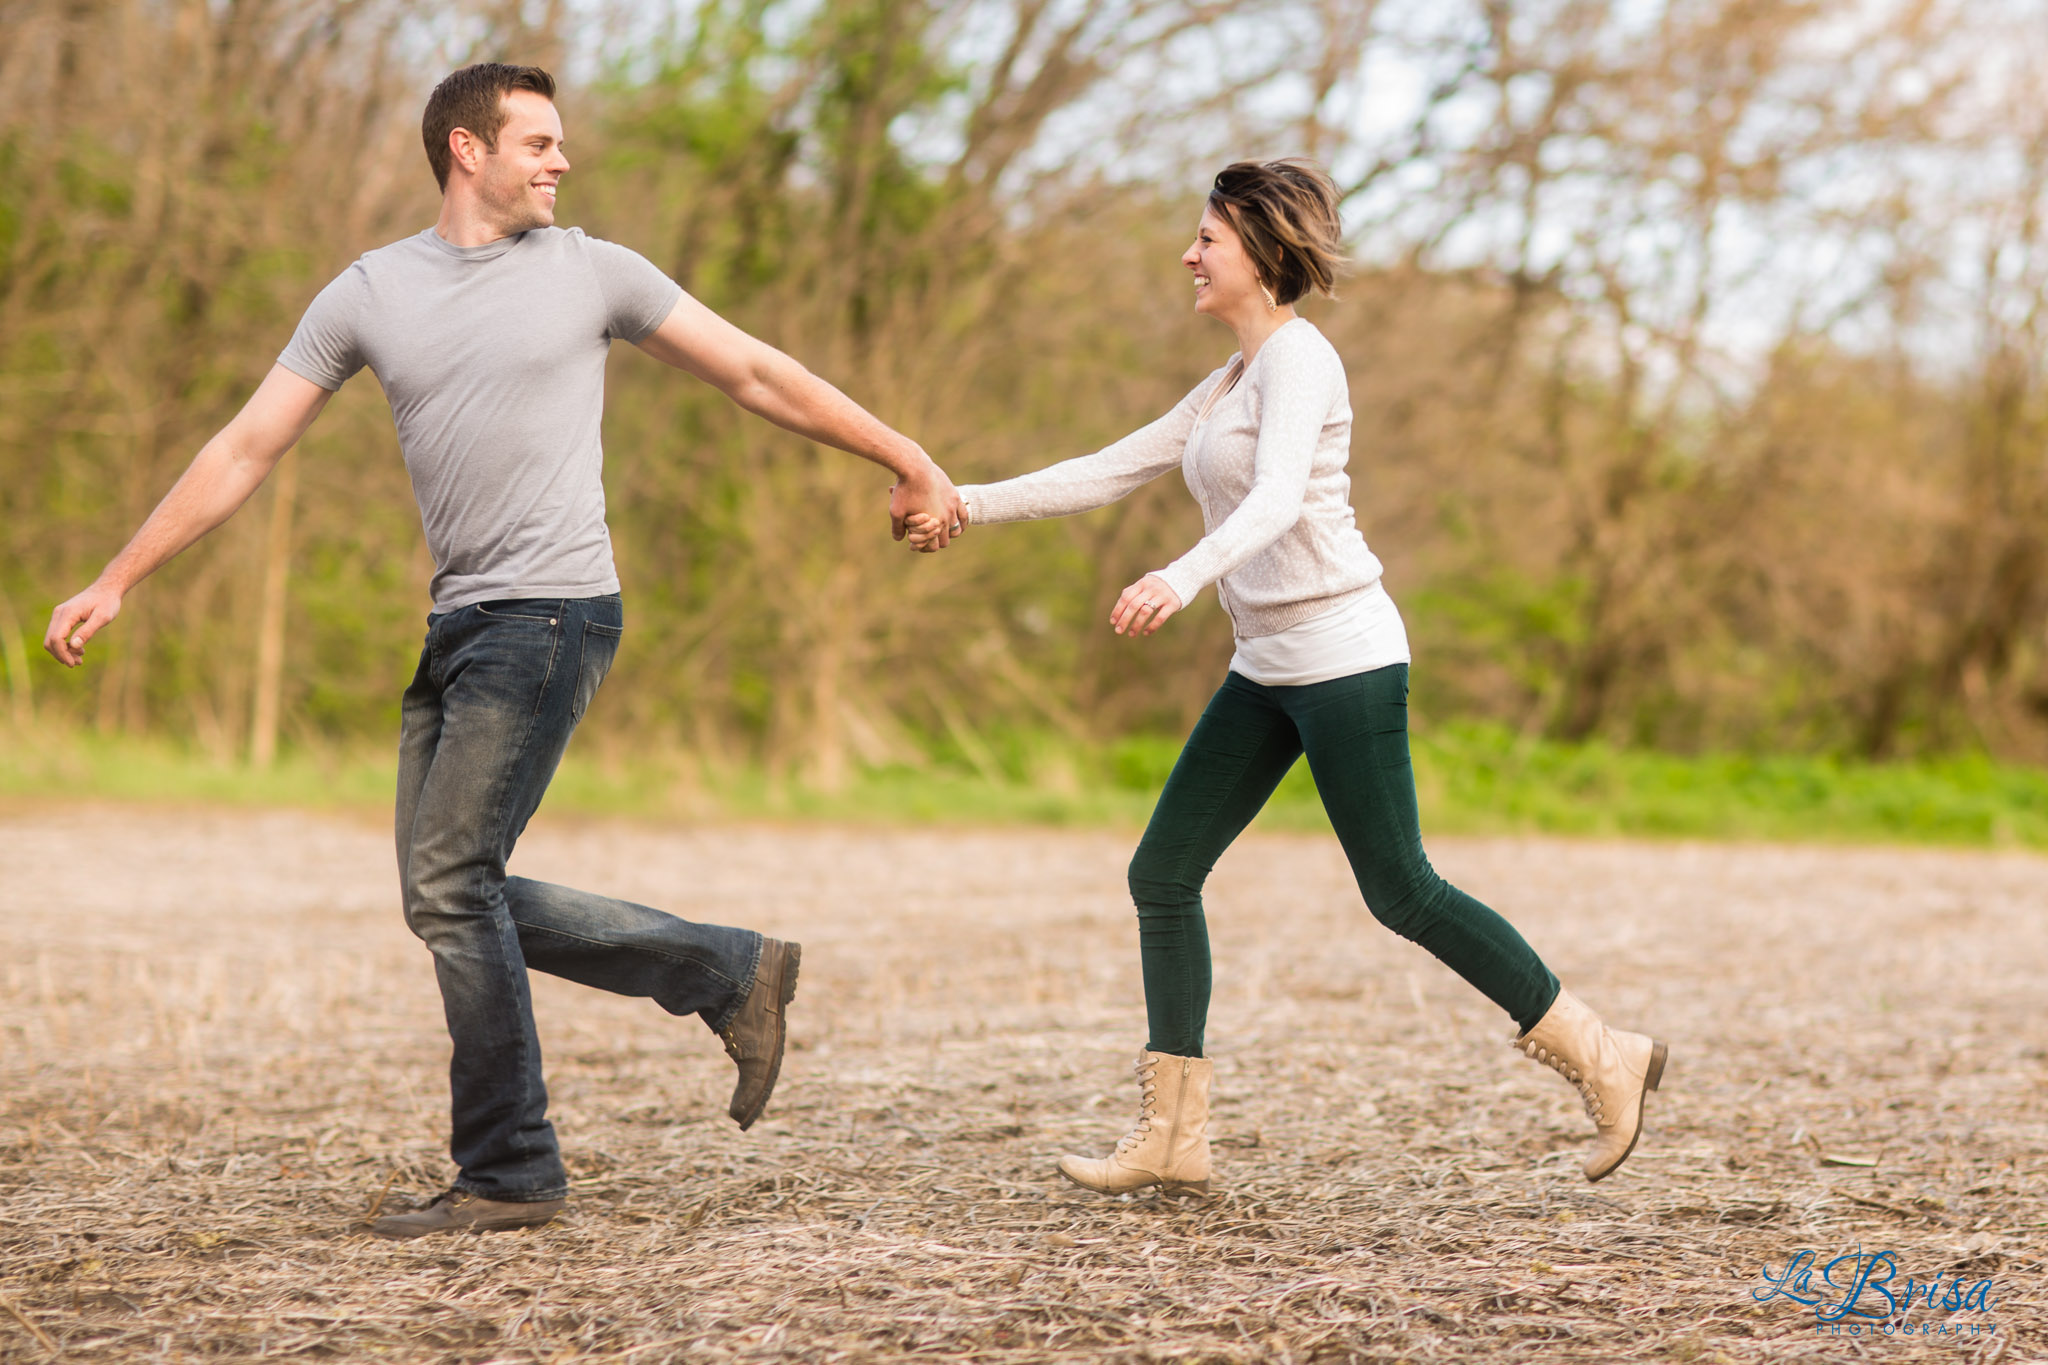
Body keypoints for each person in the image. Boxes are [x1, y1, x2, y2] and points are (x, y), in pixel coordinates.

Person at [45, 63, 969, 1239]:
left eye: (560, 142)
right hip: (458, 625)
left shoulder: (596, 272)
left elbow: (753, 371)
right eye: (537, 142)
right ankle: (724, 973)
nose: (561, 162)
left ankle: (513, 1171)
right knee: (443, 895)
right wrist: (120, 575)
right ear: (463, 151)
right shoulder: (369, 292)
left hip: (552, 613)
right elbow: (243, 448)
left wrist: (906, 455)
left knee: (448, 883)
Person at [909, 159, 1665, 1194]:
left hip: (1342, 656)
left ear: (1260, 254)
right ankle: (1175, 1136)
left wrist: (1177, 577)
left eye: (1206, 239)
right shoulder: (1227, 381)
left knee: (1400, 890)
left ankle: (1598, 1051)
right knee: (1162, 874)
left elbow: (1271, 504)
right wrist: (964, 502)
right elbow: (1108, 467)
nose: (1187, 254)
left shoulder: (1300, 362)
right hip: (1266, 663)